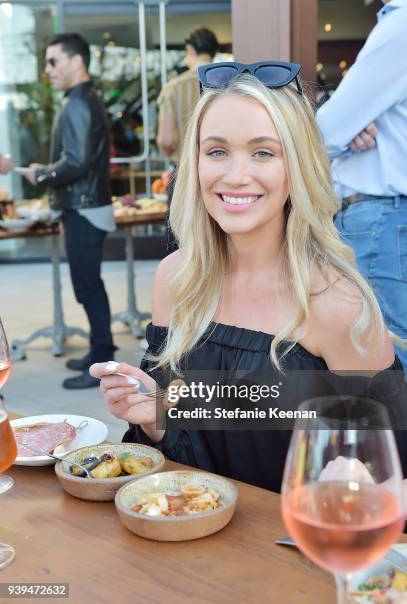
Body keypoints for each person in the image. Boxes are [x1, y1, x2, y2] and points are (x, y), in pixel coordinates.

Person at [90, 61, 405, 493]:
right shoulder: (174, 278)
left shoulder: (336, 303)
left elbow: (393, 477)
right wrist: (154, 414)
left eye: (263, 152)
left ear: (296, 167)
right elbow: (178, 430)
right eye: (216, 151)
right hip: (185, 531)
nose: (235, 175)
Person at [316, 0, 407, 373]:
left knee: (384, 353)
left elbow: (324, 131)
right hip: (388, 215)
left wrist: (339, 121)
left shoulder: (401, 23)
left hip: (380, 216)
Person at [25, 33, 116, 390]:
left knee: (88, 287)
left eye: (53, 61)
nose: (47, 69)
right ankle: (99, 352)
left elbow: (76, 161)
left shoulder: (78, 102)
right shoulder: (83, 99)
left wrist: (43, 174)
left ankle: (102, 358)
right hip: (85, 205)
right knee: (89, 286)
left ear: (76, 62)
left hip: (84, 207)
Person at [156, 27, 219, 253]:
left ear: (190, 49)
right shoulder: (226, 84)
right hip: (221, 174)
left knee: (181, 246)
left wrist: (171, 151)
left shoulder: (173, 88)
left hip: (184, 174)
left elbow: (165, 139)